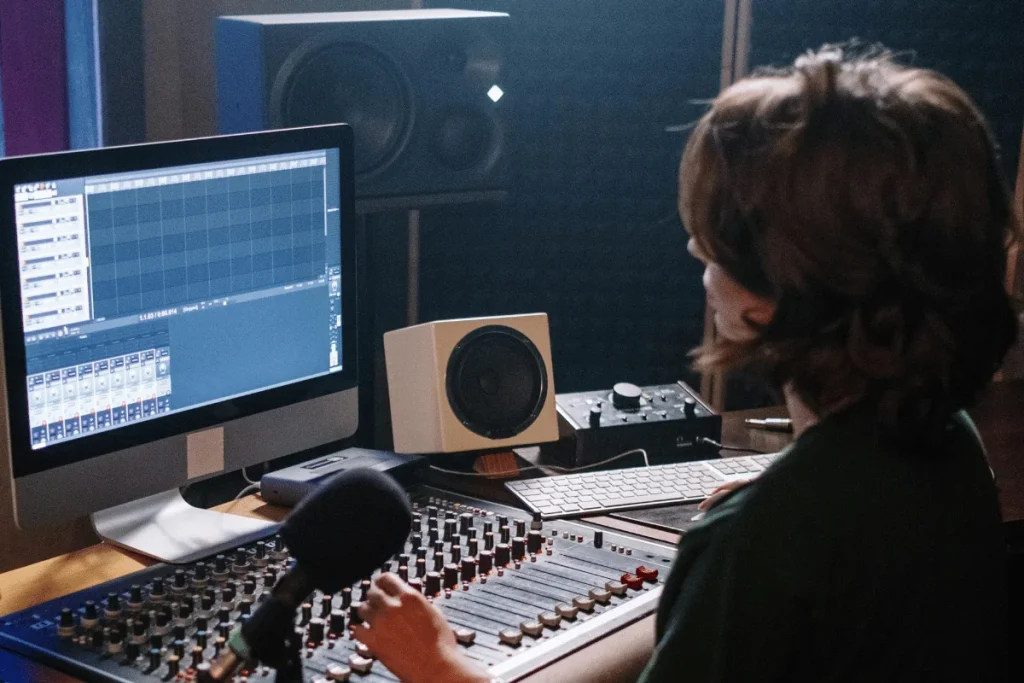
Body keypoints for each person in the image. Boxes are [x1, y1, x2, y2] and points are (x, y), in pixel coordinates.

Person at [351, 45, 1018, 683]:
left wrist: (438, 664)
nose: (697, 249)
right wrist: (772, 512)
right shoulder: (951, 440)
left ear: (773, 293)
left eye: (714, 245)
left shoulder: (761, 543)